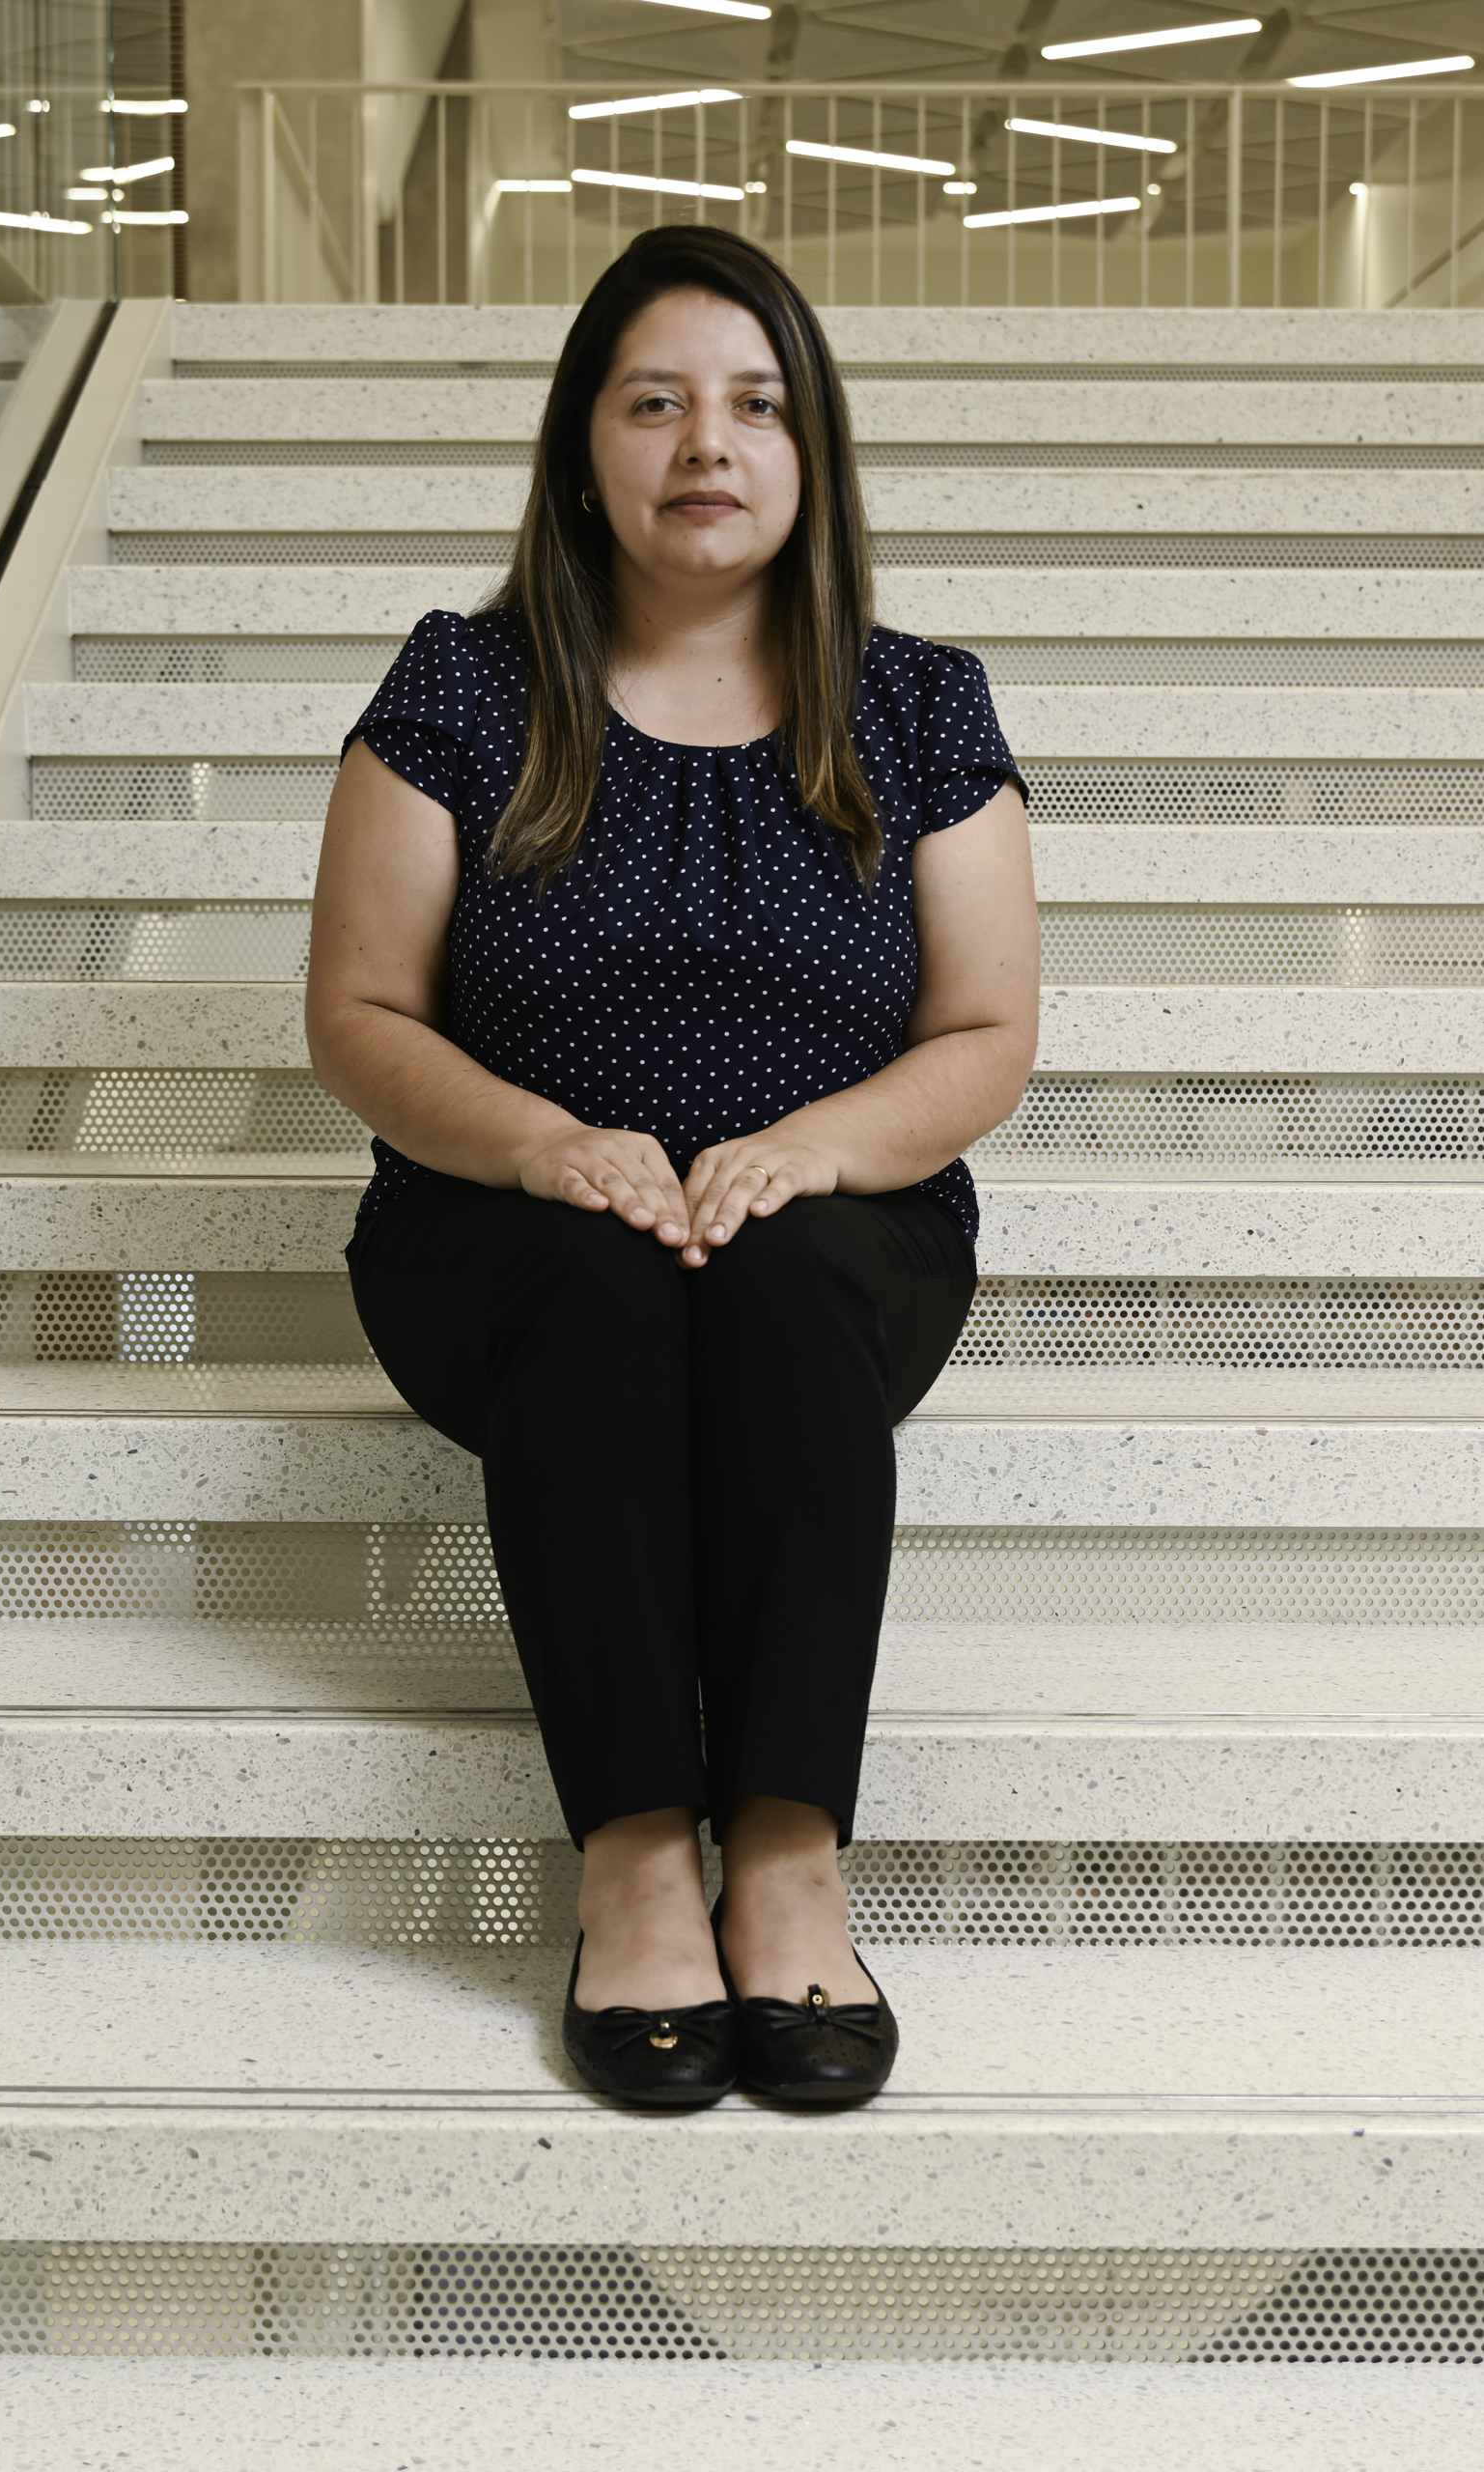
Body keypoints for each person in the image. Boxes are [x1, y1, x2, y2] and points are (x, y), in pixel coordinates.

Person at [305, 225, 1038, 2109]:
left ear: (810, 461)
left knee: (781, 1276)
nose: (705, 443)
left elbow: (981, 1037)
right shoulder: (462, 688)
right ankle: (634, 1854)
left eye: (753, 405)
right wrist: (548, 1146)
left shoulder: (920, 705)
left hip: (844, 1219)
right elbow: (361, 1015)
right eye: (653, 402)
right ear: (580, 452)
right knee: (608, 1282)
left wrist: (797, 1150)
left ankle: (785, 1850)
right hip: (498, 1229)